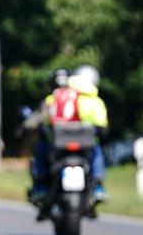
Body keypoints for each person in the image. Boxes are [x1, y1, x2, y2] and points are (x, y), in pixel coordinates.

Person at [28, 64, 109, 211]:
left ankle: (41, 187)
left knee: (40, 150)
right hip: (85, 145)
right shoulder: (93, 100)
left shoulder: (54, 98)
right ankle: (98, 187)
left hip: (59, 145)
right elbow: (102, 125)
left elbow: (41, 121)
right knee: (97, 151)